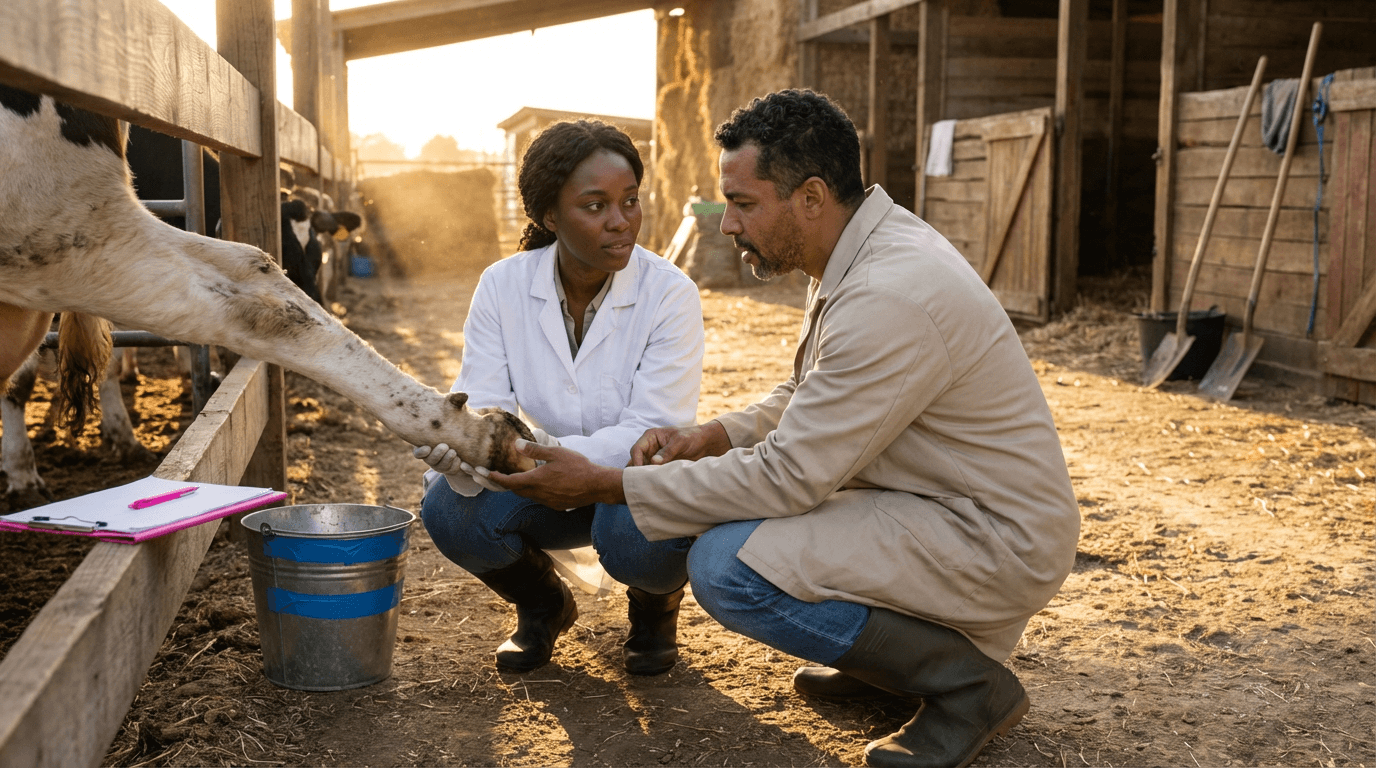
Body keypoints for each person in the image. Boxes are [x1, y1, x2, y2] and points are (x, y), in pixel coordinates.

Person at [482, 90, 1081, 768]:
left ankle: (969, 689)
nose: (728, 226)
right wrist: (716, 434)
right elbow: (808, 392)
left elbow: (791, 476)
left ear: (811, 197)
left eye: (743, 203)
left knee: (728, 566)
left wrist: (606, 483)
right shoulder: (860, 249)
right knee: (752, 540)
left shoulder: (889, 292)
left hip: (990, 535)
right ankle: (888, 660)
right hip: (935, 504)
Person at [414, 119, 704, 676]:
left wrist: (544, 452)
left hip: (627, 479)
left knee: (639, 530)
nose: (620, 222)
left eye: (630, 201)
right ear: (549, 216)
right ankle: (543, 603)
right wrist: (464, 447)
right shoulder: (503, 285)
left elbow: (654, 427)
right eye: (594, 206)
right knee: (448, 510)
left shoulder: (669, 293)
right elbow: (487, 404)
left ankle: (654, 608)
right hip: (541, 480)